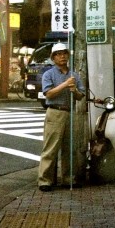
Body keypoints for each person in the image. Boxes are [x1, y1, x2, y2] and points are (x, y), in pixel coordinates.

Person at [38, 43, 85, 192]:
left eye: (64, 53)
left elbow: (80, 96)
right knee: (51, 147)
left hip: (70, 111)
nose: (62, 56)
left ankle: (68, 178)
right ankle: (45, 180)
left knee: (69, 148)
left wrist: (75, 90)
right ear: (53, 57)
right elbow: (49, 94)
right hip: (55, 112)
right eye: (58, 54)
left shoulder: (74, 75)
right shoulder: (49, 74)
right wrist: (65, 85)